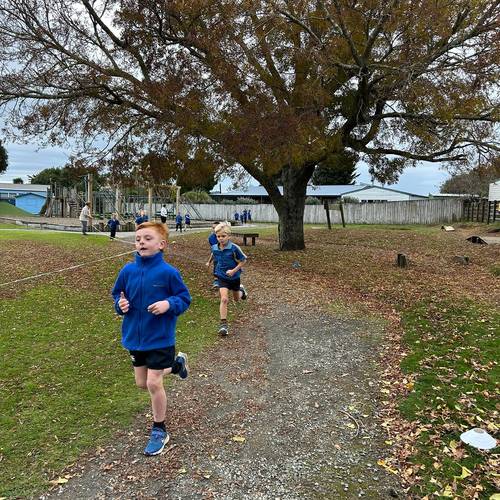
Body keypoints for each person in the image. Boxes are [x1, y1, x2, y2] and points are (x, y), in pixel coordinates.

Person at [111, 222, 191, 456]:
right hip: (134, 338)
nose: (141, 243)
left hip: (160, 338)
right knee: (141, 382)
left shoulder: (168, 273)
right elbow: (118, 294)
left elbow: (184, 299)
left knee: (153, 383)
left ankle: (159, 429)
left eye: (147, 238)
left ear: (161, 244)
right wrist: (120, 304)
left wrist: (169, 304)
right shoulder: (127, 271)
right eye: (138, 239)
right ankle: (176, 365)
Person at [210, 222, 248, 336]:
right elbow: (214, 254)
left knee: (236, 299)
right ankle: (223, 325)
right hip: (222, 277)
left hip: (235, 277)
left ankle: (241, 291)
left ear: (229, 236)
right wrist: (210, 263)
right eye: (218, 236)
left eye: (223, 236)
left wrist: (233, 271)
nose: (220, 238)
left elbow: (243, 260)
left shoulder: (234, 248)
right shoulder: (214, 247)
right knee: (224, 299)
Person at [206, 221, 220, 288]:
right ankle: (216, 281)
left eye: (216, 228)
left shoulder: (224, 236)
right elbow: (214, 251)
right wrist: (209, 261)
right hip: (217, 256)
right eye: (213, 228)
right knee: (216, 263)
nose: (214, 229)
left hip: (226, 256)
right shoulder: (211, 238)